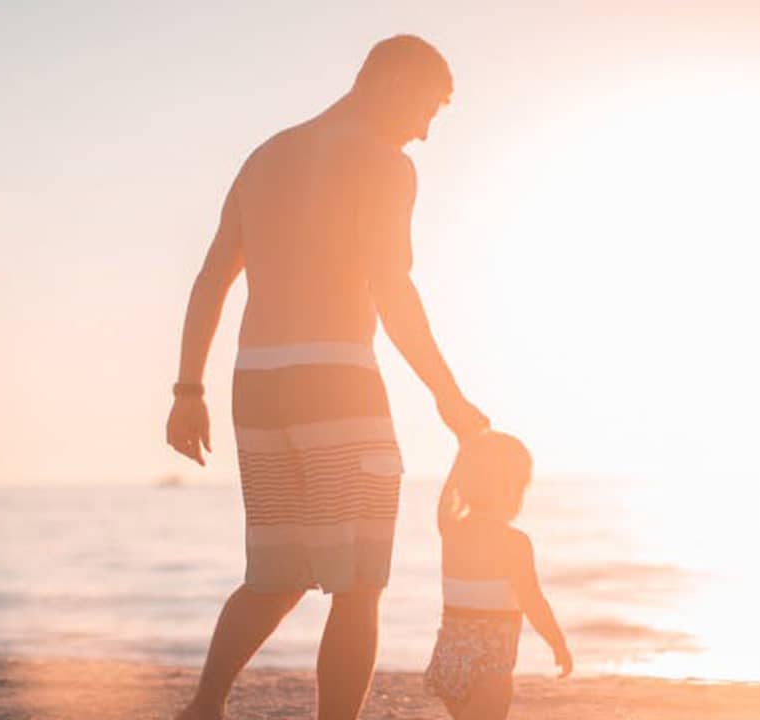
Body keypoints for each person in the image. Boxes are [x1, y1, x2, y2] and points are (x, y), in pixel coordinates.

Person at [166, 35, 489, 720]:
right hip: (337, 382)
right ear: (392, 83)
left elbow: (212, 277)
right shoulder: (385, 164)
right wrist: (448, 396)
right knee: (358, 584)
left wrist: (187, 390)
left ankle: (204, 708)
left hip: (257, 385)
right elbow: (392, 290)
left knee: (276, 576)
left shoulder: (265, 157)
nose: (424, 133)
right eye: (427, 110)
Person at [425, 432, 572, 719]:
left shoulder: (451, 530)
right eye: (521, 489)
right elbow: (532, 600)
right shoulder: (514, 543)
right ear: (508, 490)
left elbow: (445, 500)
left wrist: (464, 451)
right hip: (490, 666)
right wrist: (558, 643)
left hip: (448, 661)